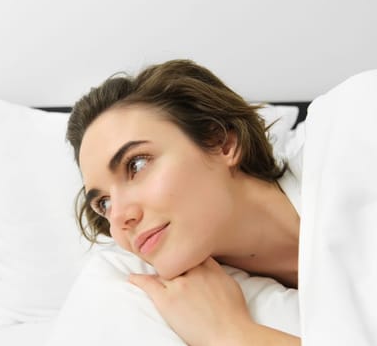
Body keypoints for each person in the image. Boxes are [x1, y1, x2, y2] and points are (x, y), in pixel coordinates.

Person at [66, 59, 303, 345]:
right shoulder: (127, 286)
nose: (118, 218)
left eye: (137, 164)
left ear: (223, 143)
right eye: (103, 203)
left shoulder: (354, 147)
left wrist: (232, 336)